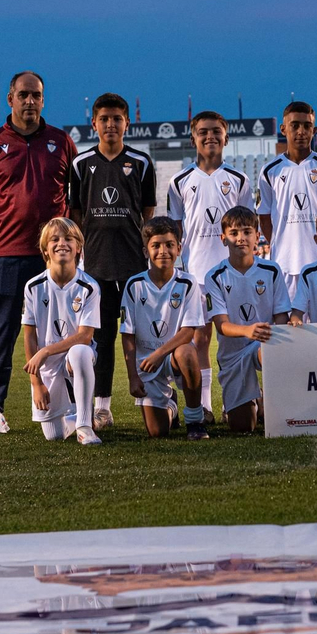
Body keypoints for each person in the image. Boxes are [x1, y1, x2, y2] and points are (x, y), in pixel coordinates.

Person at [0, 70, 77, 436]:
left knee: (64, 330)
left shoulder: (61, 142)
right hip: (7, 257)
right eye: (23, 95)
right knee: (2, 332)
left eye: (36, 95)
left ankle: (70, 406)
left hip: (55, 258)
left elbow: (74, 198)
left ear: (43, 100)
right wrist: (1, 235)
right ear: (10, 99)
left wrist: (65, 244)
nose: (30, 101)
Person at [69, 92, 156, 432]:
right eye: (104, 119)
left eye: (116, 119)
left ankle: (151, 401)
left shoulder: (141, 162)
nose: (110, 124)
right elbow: (76, 215)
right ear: (94, 124)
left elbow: (146, 212)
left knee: (144, 334)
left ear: (126, 123)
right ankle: (102, 408)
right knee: (102, 339)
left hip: (134, 265)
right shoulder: (81, 165)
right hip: (97, 266)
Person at [166, 110, 255, 418]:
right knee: (200, 338)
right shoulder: (179, 182)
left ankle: (236, 402)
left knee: (233, 338)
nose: (210, 136)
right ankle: (203, 406)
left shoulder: (239, 179)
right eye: (203, 132)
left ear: (226, 137)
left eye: (216, 131)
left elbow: (247, 227)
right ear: (194, 138)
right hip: (197, 274)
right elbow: (177, 232)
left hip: (233, 273)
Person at [203, 204, 290, 434]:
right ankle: (257, 400)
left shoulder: (272, 270)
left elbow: (282, 315)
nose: (240, 238)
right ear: (223, 239)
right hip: (233, 356)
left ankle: (271, 396)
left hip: (264, 344)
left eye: (246, 232)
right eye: (233, 233)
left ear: (257, 236)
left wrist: (276, 338)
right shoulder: (214, 276)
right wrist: (247, 330)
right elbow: (221, 325)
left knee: (267, 350)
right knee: (243, 428)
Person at [119, 217, 209, 440]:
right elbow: (127, 335)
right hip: (146, 363)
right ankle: (171, 408)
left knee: (187, 351)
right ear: (145, 250)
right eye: (156, 245)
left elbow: (189, 331)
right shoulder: (134, 285)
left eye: (169, 244)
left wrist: (160, 354)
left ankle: (195, 420)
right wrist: (132, 376)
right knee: (158, 432)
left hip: (171, 356)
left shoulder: (188, 283)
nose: (163, 251)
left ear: (179, 248)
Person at [21, 218, 102, 446]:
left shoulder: (90, 286)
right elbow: (29, 336)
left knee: (80, 352)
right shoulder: (33, 286)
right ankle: (77, 416)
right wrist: (36, 383)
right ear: (45, 249)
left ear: (79, 248)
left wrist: (46, 350)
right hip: (47, 367)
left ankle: (85, 426)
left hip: (73, 359)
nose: (61, 243)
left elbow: (86, 336)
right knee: (54, 435)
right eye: (54, 239)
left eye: (69, 239)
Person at [260, 100, 317, 302]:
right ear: (283, 129)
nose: (301, 131)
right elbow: (264, 217)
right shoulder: (270, 170)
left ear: (314, 130)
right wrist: (281, 242)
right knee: (290, 327)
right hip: (284, 264)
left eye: (307, 126)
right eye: (295, 125)